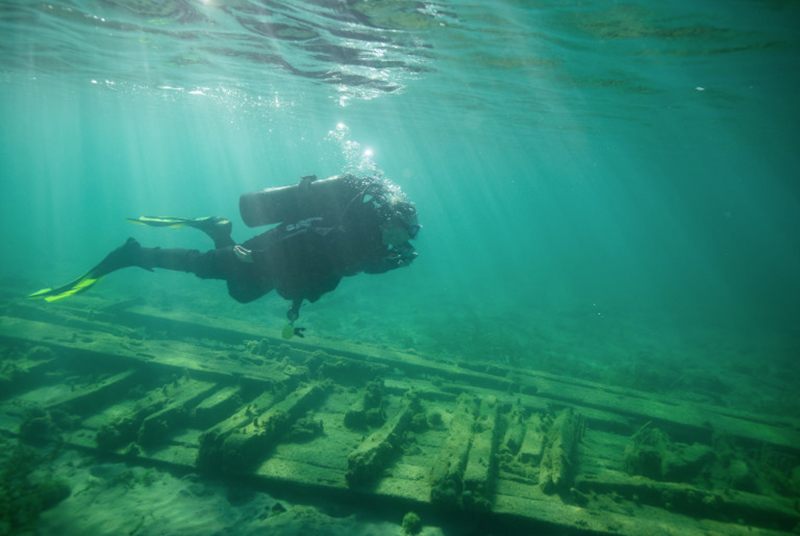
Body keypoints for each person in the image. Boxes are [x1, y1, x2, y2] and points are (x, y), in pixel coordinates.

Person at [30, 174, 420, 337]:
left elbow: (336, 268)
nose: (399, 240)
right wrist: (256, 254)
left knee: (242, 295)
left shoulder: (373, 245)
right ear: (389, 218)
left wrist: (296, 306)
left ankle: (217, 229)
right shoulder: (351, 226)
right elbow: (306, 232)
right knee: (204, 266)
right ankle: (133, 253)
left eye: (405, 236)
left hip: (281, 271)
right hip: (266, 254)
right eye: (400, 230)